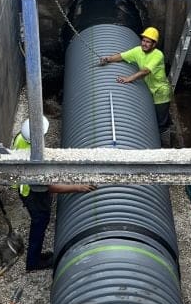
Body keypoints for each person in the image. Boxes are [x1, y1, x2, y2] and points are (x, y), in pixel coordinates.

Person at [12, 116, 95, 271]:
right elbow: (50, 187)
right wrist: (77, 187)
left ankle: (36, 256)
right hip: (33, 194)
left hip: (25, 188)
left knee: (39, 222)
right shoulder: (34, 159)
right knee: (40, 223)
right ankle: (33, 262)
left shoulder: (20, 138)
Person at [98, 26, 172, 147]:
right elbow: (121, 56)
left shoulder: (158, 55)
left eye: (148, 42)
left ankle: (165, 146)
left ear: (154, 44)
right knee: (154, 115)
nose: (145, 44)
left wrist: (128, 79)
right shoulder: (138, 51)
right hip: (149, 89)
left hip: (161, 92)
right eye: (144, 40)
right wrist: (108, 59)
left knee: (161, 122)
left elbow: (145, 71)